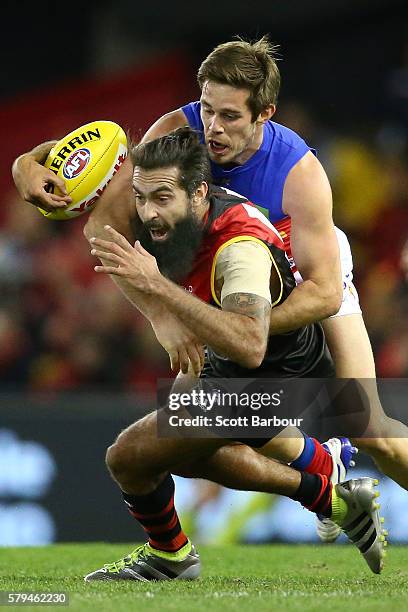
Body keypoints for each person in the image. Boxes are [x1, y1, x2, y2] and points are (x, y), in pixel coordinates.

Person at [11, 37, 408, 545]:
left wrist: (238, 326)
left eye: (230, 116)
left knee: (368, 424)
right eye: (206, 108)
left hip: (306, 279)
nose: (213, 128)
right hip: (224, 294)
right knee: (186, 443)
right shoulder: (180, 133)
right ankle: (320, 477)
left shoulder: (300, 172)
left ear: (265, 113)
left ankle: (321, 467)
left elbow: (326, 292)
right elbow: (100, 199)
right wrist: (27, 163)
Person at [80, 128, 384, 580]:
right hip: (234, 365)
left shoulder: (238, 249)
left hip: (275, 375)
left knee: (128, 457)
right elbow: (99, 222)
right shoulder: (182, 217)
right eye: (141, 198)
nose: (148, 212)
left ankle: (172, 555)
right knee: (180, 456)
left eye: (161, 198)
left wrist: (157, 287)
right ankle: (328, 487)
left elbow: (249, 342)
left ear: (199, 192)